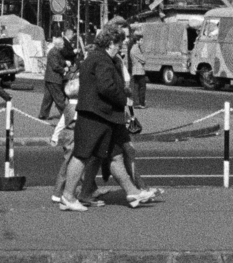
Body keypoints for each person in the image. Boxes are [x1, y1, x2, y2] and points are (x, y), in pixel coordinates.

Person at [57, 21, 153, 210]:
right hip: (95, 115)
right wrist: (125, 99)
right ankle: (68, 197)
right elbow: (106, 87)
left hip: (103, 116)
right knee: (82, 156)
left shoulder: (97, 58)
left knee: (114, 155)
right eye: (119, 43)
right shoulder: (102, 60)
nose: (121, 46)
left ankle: (131, 192)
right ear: (110, 43)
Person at [39, 31, 75, 122]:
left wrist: (64, 62)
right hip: (54, 78)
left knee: (48, 98)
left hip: (50, 78)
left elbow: (58, 61)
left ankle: (43, 114)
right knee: (60, 99)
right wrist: (64, 70)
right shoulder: (53, 52)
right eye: (62, 44)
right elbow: (55, 66)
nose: (63, 46)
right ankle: (68, 117)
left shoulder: (56, 51)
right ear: (58, 45)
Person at [128, 28, 148, 108]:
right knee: (142, 87)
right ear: (137, 41)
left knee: (136, 87)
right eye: (141, 40)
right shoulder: (136, 49)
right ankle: (141, 103)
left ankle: (137, 102)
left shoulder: (135, 48)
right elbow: (143, 59)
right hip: (139, 70)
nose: (142, 42)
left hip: (136, 70)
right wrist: (143, 59)